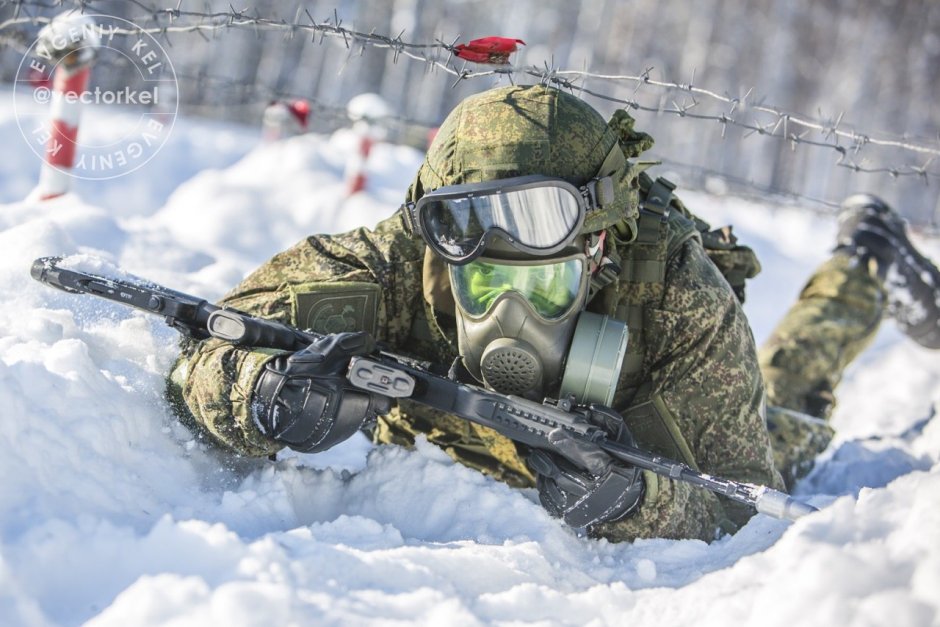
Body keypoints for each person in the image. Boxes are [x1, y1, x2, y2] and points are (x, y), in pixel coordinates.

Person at [168, 85, 940, 542]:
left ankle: (864, 262)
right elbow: (218, 341)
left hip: (659, 423)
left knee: (791, 405)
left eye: (538, 282)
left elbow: (742, 494)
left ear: (599, 245)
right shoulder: (402, 259)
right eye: (478, 276)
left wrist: (638, 500)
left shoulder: (673, 292)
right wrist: (265, 395)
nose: (503, 306)